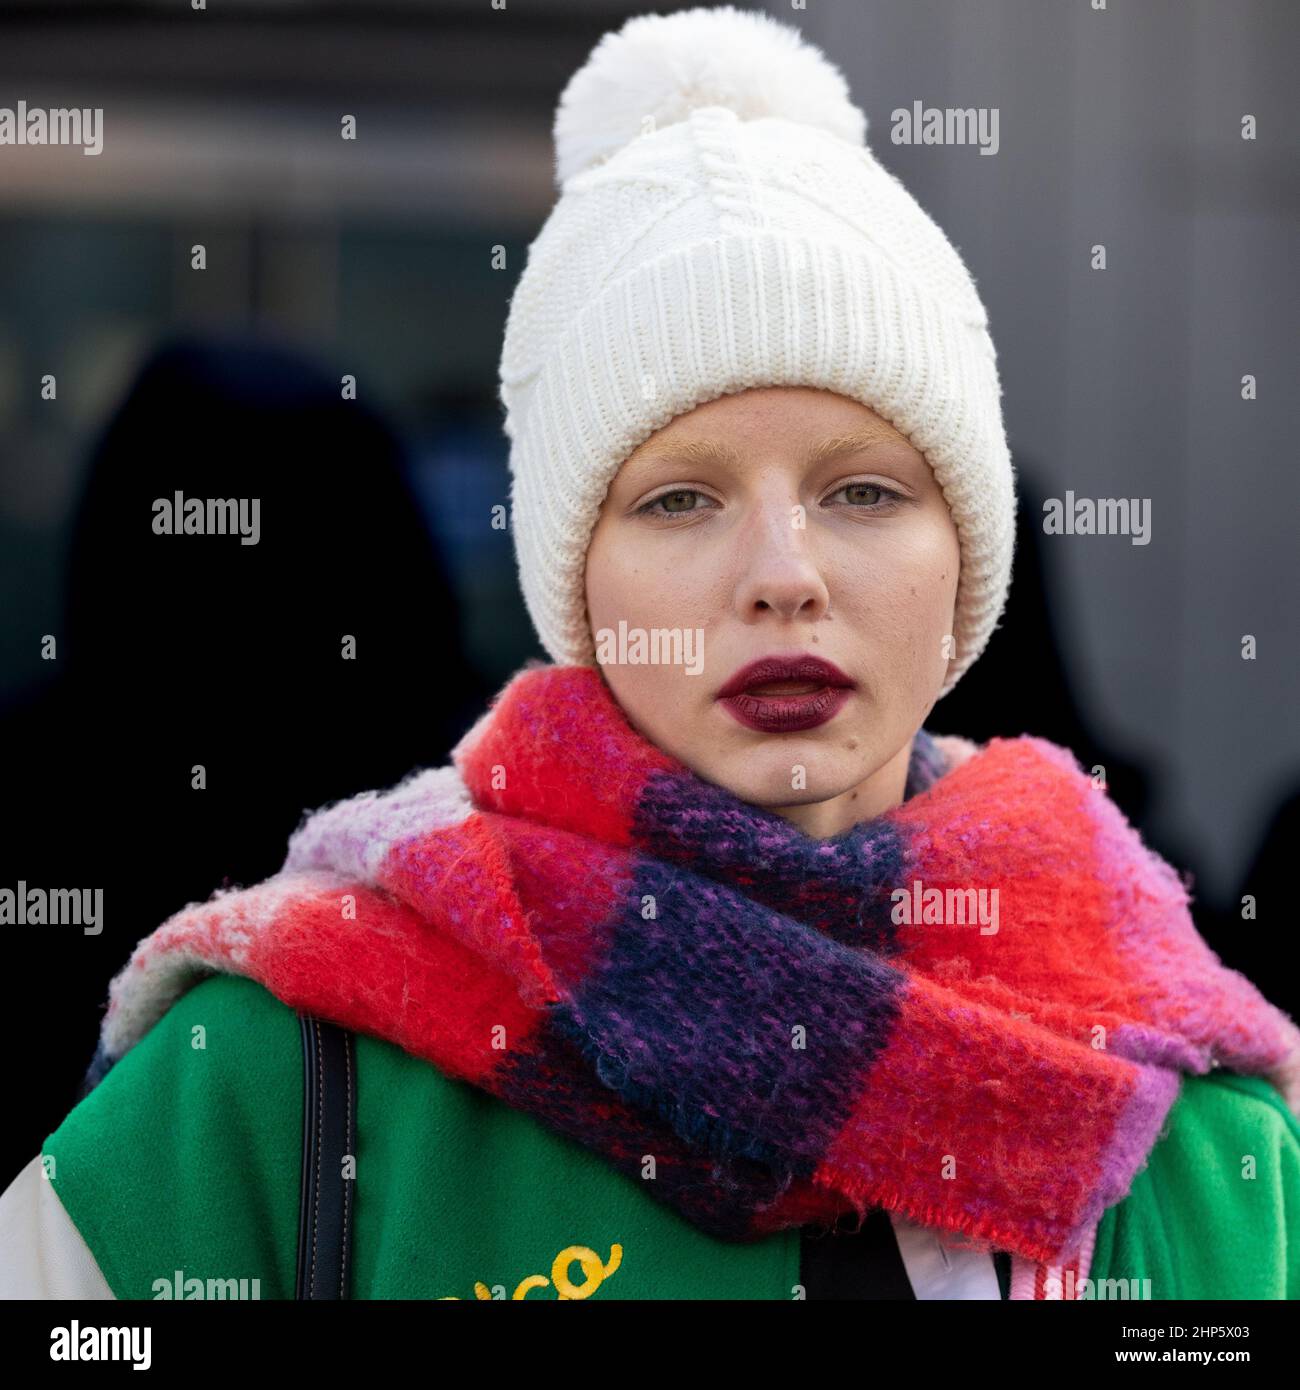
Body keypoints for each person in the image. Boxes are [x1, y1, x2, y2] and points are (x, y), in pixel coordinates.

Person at [3, 4, 1298, 1302]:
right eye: (680, 499)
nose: (784, 574)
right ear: (578, 581)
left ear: (968, 558)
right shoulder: (278, 1077)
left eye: (865, 492)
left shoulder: (1197, 1127)